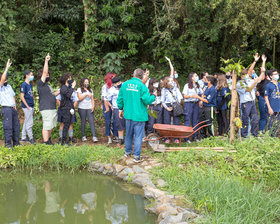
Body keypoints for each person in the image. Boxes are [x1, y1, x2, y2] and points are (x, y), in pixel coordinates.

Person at [117, 68, 156, 162]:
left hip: (128, 114)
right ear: (142, 76)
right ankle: (136, 156)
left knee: (128, 135)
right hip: (139, 115)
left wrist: (120, 109)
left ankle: (127, 152)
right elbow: (147, 100)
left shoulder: (125, 84)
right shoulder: (142, 86)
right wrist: (154, 96)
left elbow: (120, 99)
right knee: (138, 136)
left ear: (133, 75)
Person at [37, 53, 60, 145]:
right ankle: (46, 143)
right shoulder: (40, 84)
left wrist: (59, 91)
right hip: (46, 108)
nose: (48, 76)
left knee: (52, 125)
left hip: (52, 107)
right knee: (47, 125)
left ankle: (48, 139)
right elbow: (45, 72)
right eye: (47, 75)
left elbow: (52, 94)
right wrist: (46, 61)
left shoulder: (48, 86)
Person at [0, 59, 21, 148]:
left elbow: (13, 96)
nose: (6, 80)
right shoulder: (0, 87)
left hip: (12, 109)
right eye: (4, 79)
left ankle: (16, 143)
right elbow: (2, 79)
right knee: (8, 127)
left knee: (16, 126)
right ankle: (8, 144)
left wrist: (15, 106)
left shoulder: (9, 86)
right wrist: (6, 68)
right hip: (6, 109)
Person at [237, 69, 261, 138]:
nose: (247, 76)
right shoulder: (239, 84)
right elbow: (248, 89)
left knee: (255, 119)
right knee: (245, 120)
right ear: (241, 76)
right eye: (245, 75)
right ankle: (244, 135)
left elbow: (259, 80)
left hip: (252, 102)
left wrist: (262, 71)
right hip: (245, 103)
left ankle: (254, 134)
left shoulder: (249, 81)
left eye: (247, 74)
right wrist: (254, 82)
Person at [161, 76, 183, 143]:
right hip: (167, 105)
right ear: (166, 82)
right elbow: (162, 100)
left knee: (176, 122)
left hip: (175, 104)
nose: (171, 82)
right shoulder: (164, 90)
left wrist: (175, 105)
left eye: (172, 80)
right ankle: (167, 138)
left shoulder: (176, 89)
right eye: (170, 81)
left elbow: (180, 98)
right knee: (167, 122)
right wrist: (167, 108)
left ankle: (176, 138)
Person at [182, 73, 202, 142]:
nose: (197, 77)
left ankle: (195, 137)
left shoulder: (197, 85)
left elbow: (202, 93)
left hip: (196, 104)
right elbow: (184, 96)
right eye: (196, 76)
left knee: (195, 120)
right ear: (192, 78)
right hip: (188, 104)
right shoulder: (187, 86)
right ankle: (187, 138)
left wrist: (200, 100)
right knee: (187, 120)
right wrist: (191, 96)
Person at [105, 76, 125, 145]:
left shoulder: (125, 86)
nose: (119, 84)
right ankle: (121, 140)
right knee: (119, 125)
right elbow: (106, 99)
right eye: (117, 83)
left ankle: (129, 139)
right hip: (117, 108)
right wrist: (111, 106)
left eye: (119, 82)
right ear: (113, 84)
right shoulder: (111, 90)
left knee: (128, 123)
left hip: (127, 108)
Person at [77, 78, 98, 142]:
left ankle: (94, 136)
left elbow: (92, 99)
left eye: (88, 82)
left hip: (89, 108)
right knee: (83, 122)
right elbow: (79, 99)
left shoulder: (90, 90)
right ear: (82, 82)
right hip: (82, 108)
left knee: (91, 121)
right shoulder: (79, 89)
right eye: (85, 82)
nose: (87, 83)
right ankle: (83, 136)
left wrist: (93, 106)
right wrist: (86, 94)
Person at [58, 74, 76, 145]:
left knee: (68, 124)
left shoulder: (68, 87)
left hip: (69, 107)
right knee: (66, 124)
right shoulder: (63, 88)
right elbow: (68, 95)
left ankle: (64, 140)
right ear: (66, 79)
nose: (71, 79)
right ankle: (63, 141)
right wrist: (73, 87)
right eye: (70, 78)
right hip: (65, 108)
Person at [101, 73, 118, 144]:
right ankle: (108, 136)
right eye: (113, 78)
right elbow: (105, 98)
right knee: (108, 120)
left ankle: (115, 135)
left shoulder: (116, 86)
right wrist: (108, 106)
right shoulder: (105, 87)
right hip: (107, 104)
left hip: (114, 104)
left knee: (115, 120)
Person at [20, 70, 35, 144]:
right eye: (31, 75)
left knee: (26, 121)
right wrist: (27, 106)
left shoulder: (30, 85)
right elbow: (22, 97)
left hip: (31, 106)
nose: (32, 76)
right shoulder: (24, 85)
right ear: (27, 75)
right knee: (30, 122)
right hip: (27, 106)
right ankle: (31, 138)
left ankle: (23, 137)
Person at [264, 69, 280, 137]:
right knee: (270, 125)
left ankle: (275, 139)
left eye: (277, 73)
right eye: (275, 74)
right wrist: (269, 108)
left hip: (278, 108)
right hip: (271, 108)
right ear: (271, 76)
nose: (277, 75)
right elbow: (266, 97)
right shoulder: (268, 85)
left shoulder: (279, 84)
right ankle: (270, 139)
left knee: (277, 124)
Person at [256, 55, 268, 133]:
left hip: (269, 99)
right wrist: (263, 61)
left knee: (269, 116)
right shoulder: (261, 80)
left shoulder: (269, 81)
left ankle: (268, 131)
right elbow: (262, 71)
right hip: (262, 98)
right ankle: (261, 131)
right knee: (263, 116)